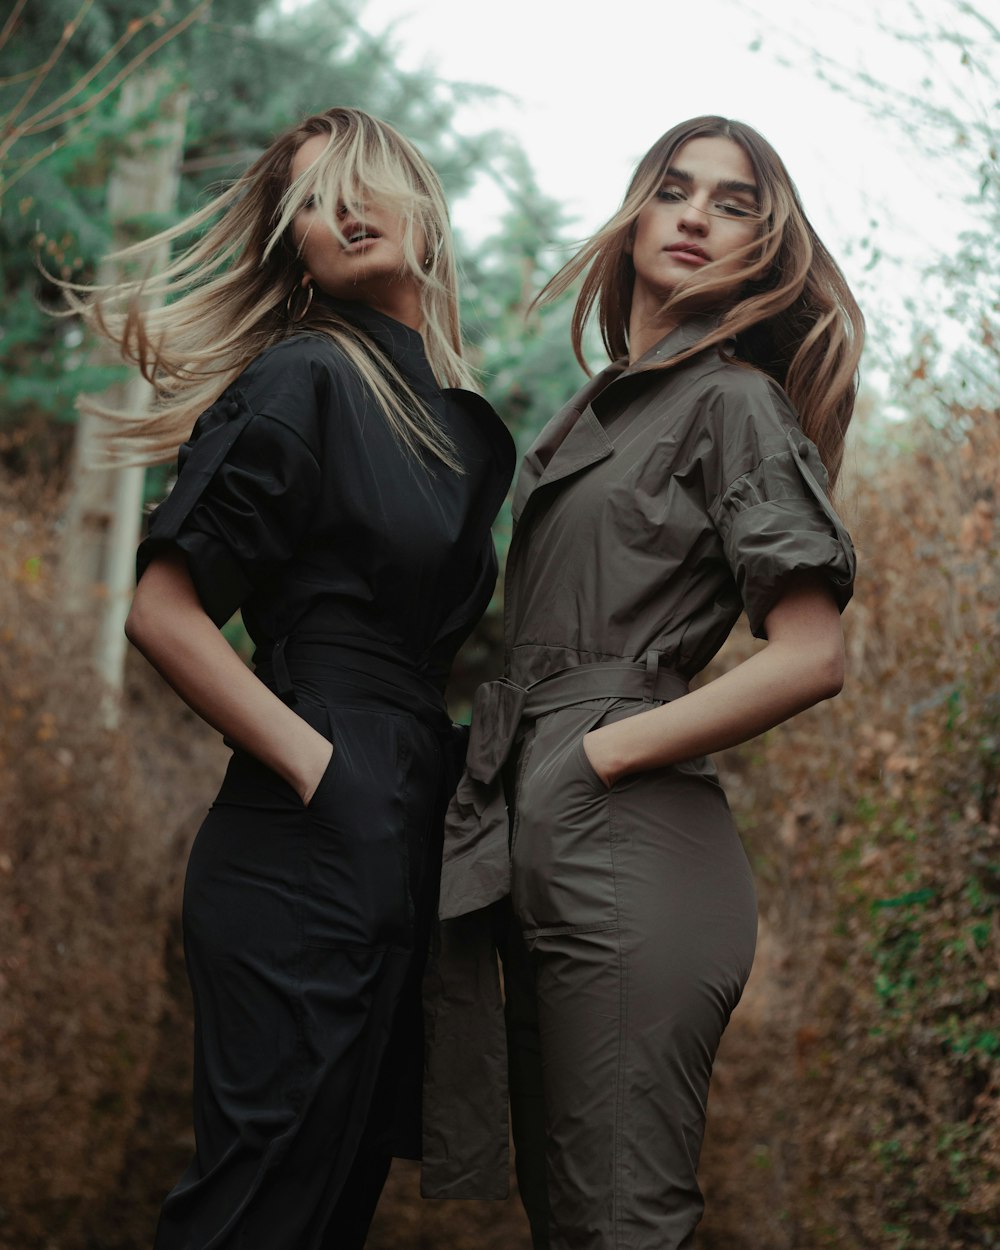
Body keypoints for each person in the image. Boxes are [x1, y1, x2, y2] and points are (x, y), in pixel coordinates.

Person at [68, 108, 514, 1249]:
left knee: (326, 1214)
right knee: (254, 1214)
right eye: (310, 204)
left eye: (361, 182)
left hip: (398, 837)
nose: (341, 210)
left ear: (422, 204)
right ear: (293, 252)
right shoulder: (305, 375)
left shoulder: (456, 426)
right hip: (304, 838)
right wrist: (324, 768)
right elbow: (163, 610)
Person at [425, 116, 864, 1248]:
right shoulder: (601, 407)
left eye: (732, 205)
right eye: (674, 190)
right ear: (632, 217)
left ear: (764, 251)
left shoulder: (732, 403)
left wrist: (600, 753)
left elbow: (812, 653)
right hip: (544, 829)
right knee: (572, 1214)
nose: (694, 216)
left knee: (621, 1218)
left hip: (625, 837)